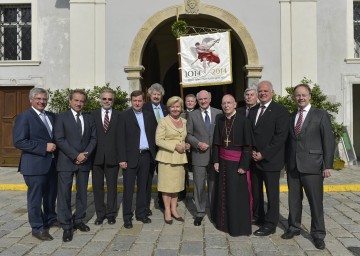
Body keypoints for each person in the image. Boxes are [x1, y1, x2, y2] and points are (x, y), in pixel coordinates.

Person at [281, 84, 335, 250]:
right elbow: (289, 143)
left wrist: (328, 165)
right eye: (297, 95)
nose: (301, 98)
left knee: (315, 202)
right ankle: (294, 227)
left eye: (304, 95)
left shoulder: (320, 114)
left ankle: (318, 234)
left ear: (310, 96)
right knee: (294, 200)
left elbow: (328, 141)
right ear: (294, 97)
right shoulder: (291, 116)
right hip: (293, 166)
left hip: (313, 165)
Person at [13, 88, 58, 241]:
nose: (42, 102)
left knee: (51, 195)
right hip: (34, 165)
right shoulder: (24, 117)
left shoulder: (51, 116)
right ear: (31, 99)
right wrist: (43, 147)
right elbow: (19, 141)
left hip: (52, 164)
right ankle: (38, 228)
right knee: (35, 198)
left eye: (44, 99)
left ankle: (51, 218)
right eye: (38, 99)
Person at [54, 89, 97, 242]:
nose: (79, 103)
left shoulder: (89, 117)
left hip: (84, 162)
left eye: (82, 101)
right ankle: (66, 225)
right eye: (76, 100)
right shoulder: (61, 117)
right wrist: (75, 155)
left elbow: (93, 138)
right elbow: (59, 139)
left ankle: (79, 220)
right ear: (70, 101)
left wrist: (85, 154)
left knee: (82, 193)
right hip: (66, 161)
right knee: (64, 194)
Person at [248, 81, 290, 236]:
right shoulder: (253, 111)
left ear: (272, 92)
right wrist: (253, 152)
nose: (263, 93)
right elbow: (250, 134)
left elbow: (280, 137)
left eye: (266, 91)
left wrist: (263, 154)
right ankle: (259, 216)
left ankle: (271, 224)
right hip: (254, 159)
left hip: (271, 160)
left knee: (272, 194)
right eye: (260, 91)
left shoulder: (280, 110)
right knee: (256, 192)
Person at [212, 94, 253, 236]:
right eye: (224, 103)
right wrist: (216, 160)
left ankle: (236, 226)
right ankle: (223, 224)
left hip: (237, 165)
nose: (226, 106)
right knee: (223, 194)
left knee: (236, 195)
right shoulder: (220, 119)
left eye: (229, 103)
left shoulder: (243, 121)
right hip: (223, 163)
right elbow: (216, 144)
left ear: (235, 104)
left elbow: (248, 146)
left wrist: (244, 165)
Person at [119, 90, 156, 229]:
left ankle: (141, 213)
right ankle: (127, 217)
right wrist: (122, 158)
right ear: (131, 101)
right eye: (134, 101)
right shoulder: (124, 116)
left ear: (143, 101)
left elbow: (153, 134)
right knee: (128, 188)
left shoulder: (148, 115)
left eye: (139, 101)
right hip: (129, 158)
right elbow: (120, 139)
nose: (137, 103)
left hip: (146, 156)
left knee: (143, 187)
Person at [186, 90, 222, 226]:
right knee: (199, 186)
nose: (203, 101)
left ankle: (214, 211)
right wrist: (197, 143)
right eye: (200, 99)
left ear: (210, 99)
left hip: (215, 157)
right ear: (197, 101)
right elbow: (188, 135)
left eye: (205, 98)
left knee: (213, 186)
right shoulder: (193, 115)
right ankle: (200, 212)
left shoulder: (218, 113)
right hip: (199, 156)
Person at [155, 96, 190, 224]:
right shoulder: (163, 121)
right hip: (167, 158)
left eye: (178, 106)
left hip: (180, 159)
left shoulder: (184, 121)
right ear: (169, 108)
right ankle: (167, 211)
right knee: (166, 187)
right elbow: (158, 140)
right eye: (173, 107)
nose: (175, 109)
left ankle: (174, 209)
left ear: (181, 108)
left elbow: (185, 137)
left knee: (176, 186)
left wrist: (187, 145)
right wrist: (174, 146)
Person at [91, 89, 122, 225]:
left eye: (109, 99)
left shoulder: (119, 116)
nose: (107, 101)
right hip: (96, 158)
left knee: (112, 187)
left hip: (113, 158)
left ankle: (111, 214)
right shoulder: (92, 115)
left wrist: (122, 158)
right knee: (97, 188)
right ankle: (100, 214)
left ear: (113, 101)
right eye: (104, 99)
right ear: (100, 100)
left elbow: (122, 139)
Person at [143, 83, 169, 212]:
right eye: (154, 94)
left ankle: (162, 202)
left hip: (163, 149)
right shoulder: (144, 108)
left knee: (163, 177)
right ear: (150, 95)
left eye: (158, 94)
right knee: (147, 179)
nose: (156, 96)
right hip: (149, 149)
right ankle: (146, 205)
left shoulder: (166, 109)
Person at [238, 87, 258, 219]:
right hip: (241, 153)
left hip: (256, 153)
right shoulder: (238, 111)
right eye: (247, 95)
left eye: (252, 95)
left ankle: (255, 212)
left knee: (255, 186)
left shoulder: (260, 111)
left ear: (256, 97)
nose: (249, 97)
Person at [179, 93, 198, 201]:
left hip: (195, 148)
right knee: (182, 172)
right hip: (183, 148)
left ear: (195, 103)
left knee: (196, 173)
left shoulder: (199, 114)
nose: (190, 103)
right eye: (188, 101)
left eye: (192, 101)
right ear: (184, 103)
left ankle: (196, 194)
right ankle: (182, 193)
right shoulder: (180, 114)